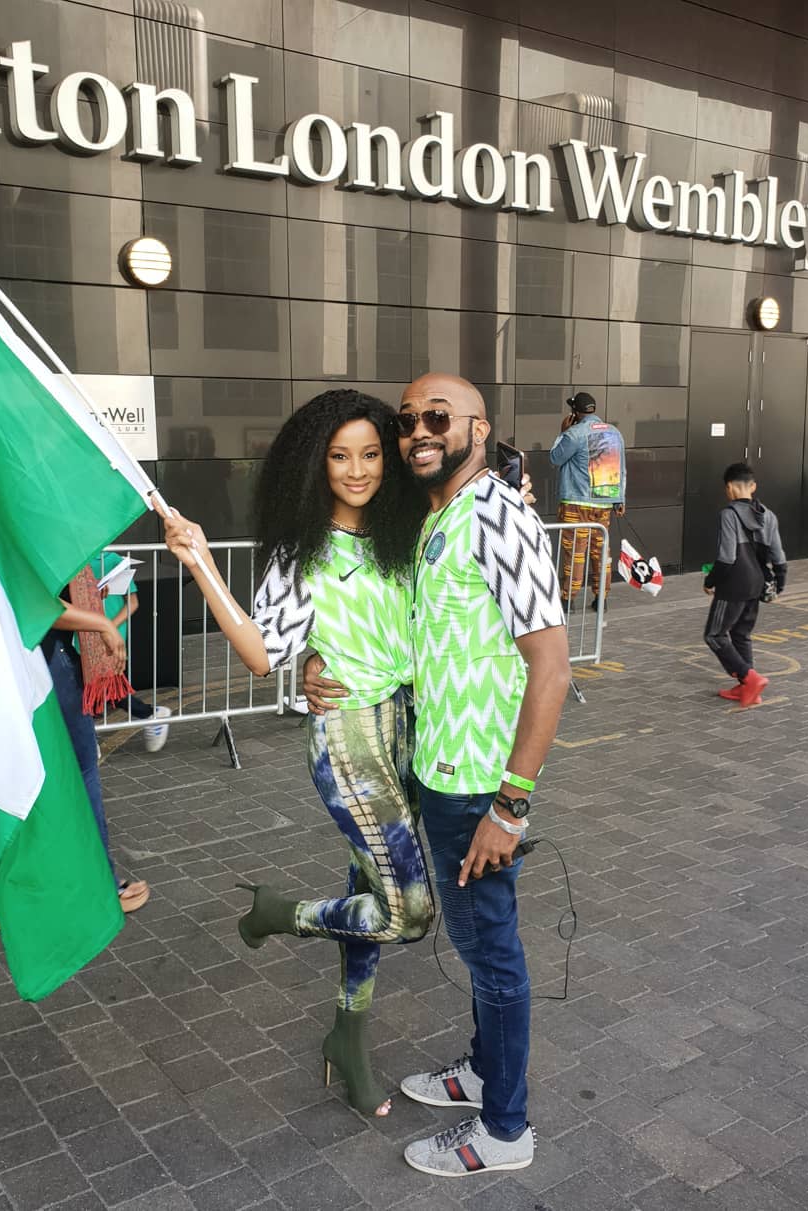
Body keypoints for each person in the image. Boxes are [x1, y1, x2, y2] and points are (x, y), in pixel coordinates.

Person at [306, 373, 571, 1177]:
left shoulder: (498, 516)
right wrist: (316, 656)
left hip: (478, 785)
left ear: (479, 428)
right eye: (408, 419)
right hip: (440, 769)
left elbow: (552, 667)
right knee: (479, 942)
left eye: (438, 417)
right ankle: (484, 1071)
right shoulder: (438, 514)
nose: (419, 430)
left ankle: (504, 1130)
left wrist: (511, 806)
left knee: (492, 955)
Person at [164, 389, 434, 1119]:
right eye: (340, 456)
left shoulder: (407, 530)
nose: (358, 470)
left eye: (371, 454)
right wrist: (199, 561)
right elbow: (261, 654)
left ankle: (349, 1037)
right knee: (410, 911)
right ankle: (279, 912)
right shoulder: (301, 551)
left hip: (408, 729)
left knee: (371, 895)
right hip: (348, 738)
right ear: (316, 464)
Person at [0, 589, 151, 942]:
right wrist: (101, 623)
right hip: (41, 654)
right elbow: (34, 598)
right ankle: (102, 885)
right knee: (81, 771)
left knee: (2, 779)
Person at [703, 462, 787, 708]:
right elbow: (779, 556)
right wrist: (779, 584)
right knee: (741, 634)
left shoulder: (728, 515)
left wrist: (710, 581)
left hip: (733, 584)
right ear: (753, 486)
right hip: (757, 583)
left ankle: (749, 678)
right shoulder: (768, 515)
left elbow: (727, 557)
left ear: (729, 487)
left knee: (714, 634)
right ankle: (746, 688)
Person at [549, 391, 626, 611]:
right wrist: (620, 499)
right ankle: (601, 599)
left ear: (575, 412)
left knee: (575, 553)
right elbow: (621, 468)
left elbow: (555, 458)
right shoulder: (614, 433)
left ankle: (568, 600)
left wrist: (563, 433)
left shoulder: (574, 433)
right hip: (604, 504)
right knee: (600, 553)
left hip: (576, 504)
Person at [90, 549, 171, 753]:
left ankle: (149, 714)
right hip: (82, 634)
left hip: (110, 635)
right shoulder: (73, 560)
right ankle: (150, 714)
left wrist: (109, 627)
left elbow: (132, 602)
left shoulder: (113, 561)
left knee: (106, 684)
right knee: (95, 685)